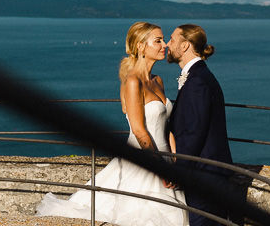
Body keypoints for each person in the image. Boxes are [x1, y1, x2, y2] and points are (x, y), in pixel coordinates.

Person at [36, 21, 187, 226]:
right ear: (141, 46)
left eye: (163, 40)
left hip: (165, 157)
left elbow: (166, 124)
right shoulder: (132, 81)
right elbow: (140, 131)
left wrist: (175, 160)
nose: (165, 45)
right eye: (158, 41)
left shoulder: (157, 80)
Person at [166, 24, 236, 226]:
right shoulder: (200, 75)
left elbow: (193, 132)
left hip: (204, 175)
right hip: (207, 173)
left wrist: (178, 169)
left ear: (186, 45)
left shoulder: (197, 81)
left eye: (172, 39)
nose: (168, 45)